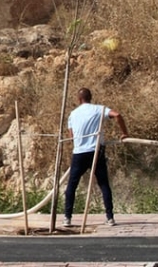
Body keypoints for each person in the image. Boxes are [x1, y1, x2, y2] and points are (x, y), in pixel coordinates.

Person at [63, 87, 128, 227]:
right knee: (103, 183)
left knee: (72, 186)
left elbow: (71, 137)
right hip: (96, 151)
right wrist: (125, 133)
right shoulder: (99, 109)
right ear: (91, 97)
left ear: (79, 99)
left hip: (79, 152)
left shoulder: (72, 114)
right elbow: (117, 115)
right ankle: (110, 217)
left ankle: (67, 218)